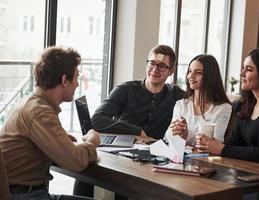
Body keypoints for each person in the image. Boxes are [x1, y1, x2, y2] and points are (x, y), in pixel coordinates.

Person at [74, 44, 184, 197]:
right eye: (151, 63)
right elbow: (97, 120)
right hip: (120, 152)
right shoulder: (125, 89)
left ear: (171, 71)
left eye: (162, 66)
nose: (155, 69)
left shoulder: (177, 96)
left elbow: (199, 103)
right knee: (87, 170)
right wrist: (136, 130)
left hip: (154, 158)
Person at [195, 49, 259, 200]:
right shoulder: (243, 106)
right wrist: (211, 145)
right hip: (247, 178)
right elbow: (233, 144)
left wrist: (222, 149)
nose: (242, 73)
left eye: (249, 69)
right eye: (243, 68)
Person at [0, 47, 101, 200]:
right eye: (76, 78)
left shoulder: (30, 103)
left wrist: (59, 139)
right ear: (64, 80)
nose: (77, 85)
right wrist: (92, 142)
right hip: (24, 196)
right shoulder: (39, 112)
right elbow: (76, 162)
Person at [165, 54, 232, 145]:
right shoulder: (181, 104)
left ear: (210, 76)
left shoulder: (223, 108)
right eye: (189, 71)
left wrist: (187, 135)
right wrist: (176, 131)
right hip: (178, 157)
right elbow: (168, 137)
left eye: (198, 72)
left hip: (205, 159)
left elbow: (215, 144)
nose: (190, 76)